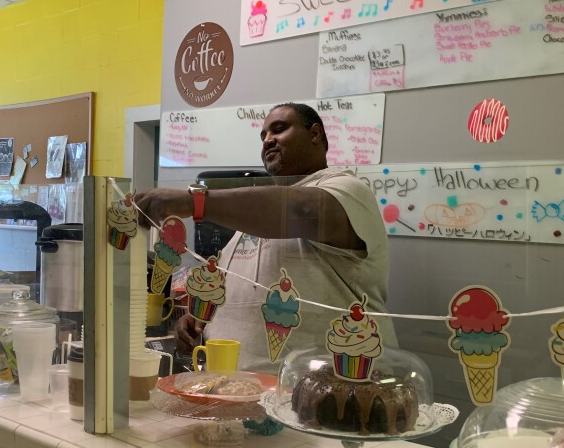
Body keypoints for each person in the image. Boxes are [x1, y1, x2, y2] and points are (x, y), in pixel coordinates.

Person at [135, 102, 396, 372]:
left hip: (322, 393)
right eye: (263, 136)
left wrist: (194, 202)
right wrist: (198, 318)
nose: (268, 140)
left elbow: (301, 209)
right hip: (241, 391)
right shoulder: (256, 216)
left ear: (315, 134)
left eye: (279, 129)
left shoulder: (347, 190)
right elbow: (235, 284)